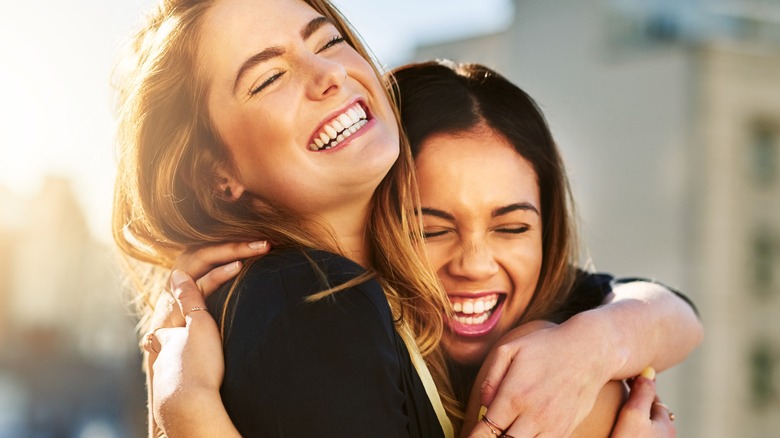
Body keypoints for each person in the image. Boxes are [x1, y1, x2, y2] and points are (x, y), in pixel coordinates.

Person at [143, 60, 702, 437]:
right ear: (375, 220)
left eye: (511, 228)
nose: (476, 264)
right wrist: (183, 408)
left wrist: (598, 343)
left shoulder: (563, 361)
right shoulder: (328, 330)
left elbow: (678, 315)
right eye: (431, 229)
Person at [114, 0, 460, 436]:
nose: (330, 74)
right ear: (213, 174)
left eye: (329, 41)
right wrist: (187, 413)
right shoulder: (309, 299)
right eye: (270, 78)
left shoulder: (384, 289)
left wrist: (575, 341)